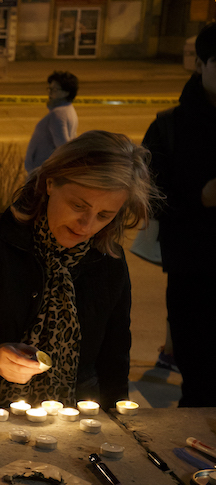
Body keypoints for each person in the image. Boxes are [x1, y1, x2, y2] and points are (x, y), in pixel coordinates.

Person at [0, 130, 158, 409]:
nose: (86, 225)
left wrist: (115, 432)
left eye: (105, 215)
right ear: (49, 183)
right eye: (78, 205)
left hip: (73, 430)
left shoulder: (108, 264)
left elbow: (114, 365)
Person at [142, 22, 216, 407]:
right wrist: (199, 198)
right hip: (194, 275)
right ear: (201, 64)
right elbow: (147, 198)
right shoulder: (169, 127)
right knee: (200, 384)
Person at [24, 71, 79, 175]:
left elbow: (63, 146)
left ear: (66, 92)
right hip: (45, 170)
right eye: (49, 88)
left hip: (44, 172)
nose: (50, 92)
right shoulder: (69, 110)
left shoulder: (58, 114)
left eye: (55, 89)